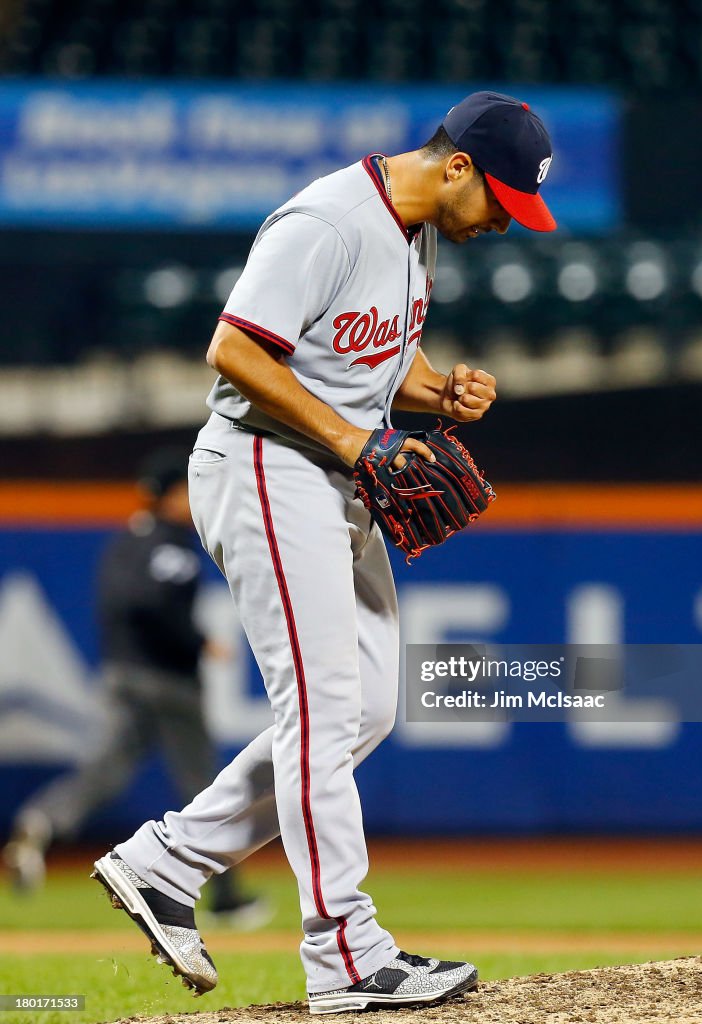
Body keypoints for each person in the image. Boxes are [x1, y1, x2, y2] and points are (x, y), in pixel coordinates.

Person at [91, 92, 556, 1013]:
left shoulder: (417, 236)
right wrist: (355, 443)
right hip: (268, 466)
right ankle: (343, 951)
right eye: (501, 199)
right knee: (322, 705)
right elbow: (234, 351)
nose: (506, 220)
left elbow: (366, 363)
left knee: (364, 708)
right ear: (456, 164)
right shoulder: (330, 221)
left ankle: (166, 862)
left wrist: (437, 390)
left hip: (330, 478)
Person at [3, 451, 269, 928]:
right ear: (168, 494)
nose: (192, 501)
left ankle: (43, 820)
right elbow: (148, 603)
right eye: (185, 491)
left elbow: (118, 605)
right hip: (167, 681)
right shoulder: (172, 544)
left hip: (120, 675)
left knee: (106, 771)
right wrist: (197, 641)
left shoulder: (124, 542)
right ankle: (225, 897)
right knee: (206, 785)